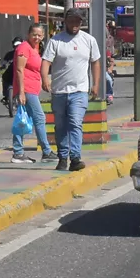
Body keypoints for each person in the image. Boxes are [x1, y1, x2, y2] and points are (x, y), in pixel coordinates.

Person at [41, 9, 102, 173]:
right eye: (72, 20)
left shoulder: (88, 40)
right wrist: (45, 78)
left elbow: (95, 62)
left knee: (75, 123)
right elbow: (46, 61)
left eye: (78, 21)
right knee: (60, 126)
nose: (75, 24)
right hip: (59, 91)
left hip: (79, 90)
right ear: (65, 21)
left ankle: (75, 158)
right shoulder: (56, 41)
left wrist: (96, 84)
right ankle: (62, 157)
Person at [11, 24, 56, 164]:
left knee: (22, 120)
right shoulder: (24, 47)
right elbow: (19, 69)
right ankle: (46, 151)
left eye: (39, 35)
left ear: (43, 36)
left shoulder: (34, 49)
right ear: (28, 34)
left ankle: (18, 153)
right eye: (34, 34)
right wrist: (22, 92)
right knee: (40, 118)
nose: (36, 37)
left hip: (31, 90)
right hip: (27, 89)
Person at [0, 37, 24, 109]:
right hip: (10, 75)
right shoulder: (9, 54)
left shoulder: (25, 53)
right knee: (4, 77)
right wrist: (2, 66)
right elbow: (4, 63)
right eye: (16, 45)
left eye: (19, 45)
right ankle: (6, 96)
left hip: (21, 75)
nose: (17, 47)